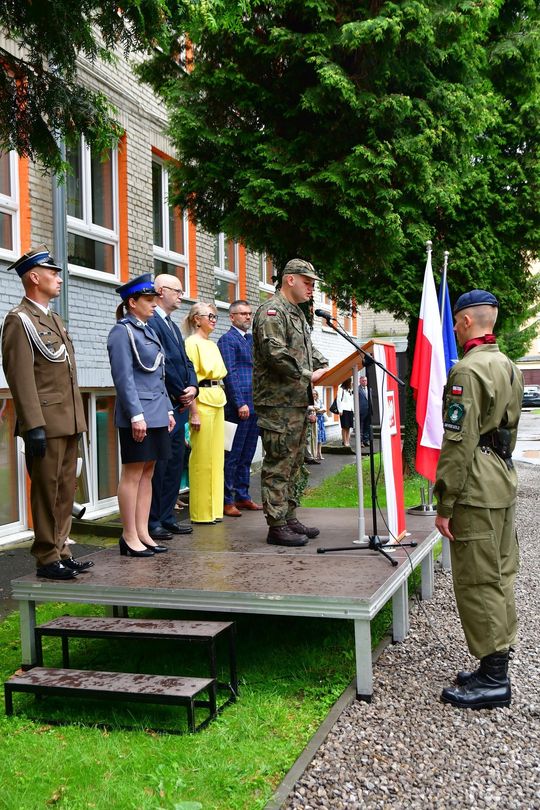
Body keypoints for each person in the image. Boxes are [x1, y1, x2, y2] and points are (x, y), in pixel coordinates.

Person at [434, 289, 523, 710]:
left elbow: (458, 443)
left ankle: (493, 679)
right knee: (501, 573)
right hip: (501, 479)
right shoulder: (507, 364)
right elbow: (509, 431)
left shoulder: (467, 372)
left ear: (467, 321)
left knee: (477, 581)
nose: (452, 327)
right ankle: (497, 660)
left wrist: (444, 502)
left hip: (475, 487)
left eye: (455, 320)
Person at [1, 245, 91, 580]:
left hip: (67, 419)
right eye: (52, 272)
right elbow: (20, 377)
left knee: (66, 488)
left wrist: (78, 418)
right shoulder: (19, 320)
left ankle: (62, 550)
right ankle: (46, 556)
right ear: (34, 277)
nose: (58, 277)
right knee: (46, 489)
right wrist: (32, 424)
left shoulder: (52, 318)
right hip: (46, 422)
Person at [252, 258, 328, 547]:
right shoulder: (272, 311)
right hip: (277, 403)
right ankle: (276, 524)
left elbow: (307, 349)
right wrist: (309, 374)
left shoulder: (296, 313)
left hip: (295, 402)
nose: (311, 288)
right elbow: (276, 354)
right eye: (307, 282)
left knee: (295, 464)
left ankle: (289, 515)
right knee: (278, 464)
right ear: (290, 280)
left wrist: (329, 365)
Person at [107, 274, 175, 557]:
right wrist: (136, 415)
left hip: (157, 410)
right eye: (148, 300)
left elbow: (158, 375)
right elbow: (123, 378)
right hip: (139, 414)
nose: (153, 304)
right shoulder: (122, 332)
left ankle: (144, 532)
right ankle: (129, 535)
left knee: (148, 472)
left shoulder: (147, 329)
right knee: (134, 473)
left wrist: (169, 408)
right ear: (132, 303)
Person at [147, 274, 198, 540]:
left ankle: (167, 517)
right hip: (165, 404)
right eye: (177, 291)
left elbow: (185, 360)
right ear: (161, 291)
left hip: (180, 405)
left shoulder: (173, 325)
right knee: (160, 466)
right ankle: (153, 519)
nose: (181, 295)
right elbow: (163, 363)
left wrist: (193, 387)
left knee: (175, 464)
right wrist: (181, 392)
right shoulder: (152, 322)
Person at [217, 300, 262, 517]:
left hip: (256, 404)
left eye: (249, 313)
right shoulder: (227, 340)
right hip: (239, 406)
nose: (247, 317)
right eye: (242, 313)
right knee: (232, 456)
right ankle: (227, 500)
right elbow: (230, 373)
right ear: (232, 317)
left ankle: (243, 496)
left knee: (248, 454)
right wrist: (239, 402)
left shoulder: (253, 340)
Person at [184, 303, 228, 524]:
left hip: (218, 399)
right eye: (209, 316)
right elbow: (189, 380)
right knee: (202, 459)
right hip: (201, 401)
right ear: (196, 319)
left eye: (215, 316)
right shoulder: (191, 344)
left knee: (216, 458)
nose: (213, 319)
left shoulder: (211, 344)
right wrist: (193, 412)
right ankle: (201, 513)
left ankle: (215, 509)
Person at [337, 378, 354, 447]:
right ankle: (344, 441)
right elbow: (338, 399)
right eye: (351, 382)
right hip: (343, 410)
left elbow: (352, 400)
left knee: (349, 427)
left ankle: (347, 440)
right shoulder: (341, 389)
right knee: (344, 426)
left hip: (350, 410)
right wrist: (340, 410)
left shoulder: (350, 390)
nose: (352, 383)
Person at [314, 389, 327, 460]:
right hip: (315, 420)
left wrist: (317, 410)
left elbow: (324, 409)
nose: (314, 395)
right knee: (316, 437)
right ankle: (315, 454)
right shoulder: (311, 402)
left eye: (315, 394)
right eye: (313, 394)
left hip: (321, 420)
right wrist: (319, 410)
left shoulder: (319, 401)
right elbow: (313, 409)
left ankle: (320, 453)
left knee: (320, 438)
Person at [359, 375, 372, 448]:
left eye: (365, 380)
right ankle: (360, 442)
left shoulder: (369, 389)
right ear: (360, 381)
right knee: (361, 427)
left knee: (367, 426)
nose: (364, 382)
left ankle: (365, 440)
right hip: (361, 411)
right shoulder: (357, 389)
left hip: (368, 410)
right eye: (363, 381)